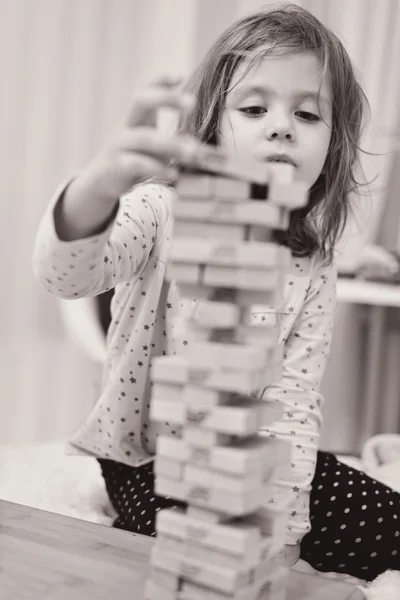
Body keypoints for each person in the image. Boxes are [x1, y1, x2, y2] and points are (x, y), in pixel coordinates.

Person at [32, 4, 400, 582]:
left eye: (308, 114)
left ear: (333, 147)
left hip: (257, 457)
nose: (282, 125)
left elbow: (295, 403)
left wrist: (287, 526)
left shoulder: (311, 261)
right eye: (254, 108)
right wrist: (100, 183)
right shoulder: (161, 212)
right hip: (151, 460)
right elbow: (66, 276)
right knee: (199, 559)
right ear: (211, 128)